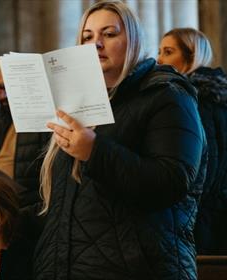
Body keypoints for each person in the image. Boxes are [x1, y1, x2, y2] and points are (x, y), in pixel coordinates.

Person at [33, 1, 207, 279]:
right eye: (87, 37)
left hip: (137, 267)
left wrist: (95, 151)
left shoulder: (166, 96)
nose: (96, 43)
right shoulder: (76, 106)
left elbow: (172, 181)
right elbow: (71, 204)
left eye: (109, 34)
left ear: (134, 40)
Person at [158, 27, 227, 255]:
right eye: (160, 51)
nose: (159, 59)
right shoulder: (212, 92)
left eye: (168, 52)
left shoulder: (197, 97)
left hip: (203, 217)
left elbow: (208, 167)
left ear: (191, 56)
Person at [0, 59, 51, 209]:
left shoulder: (44, 125)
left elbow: (49, 183)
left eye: (8, 88)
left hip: (24, 211)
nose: (3, 95)